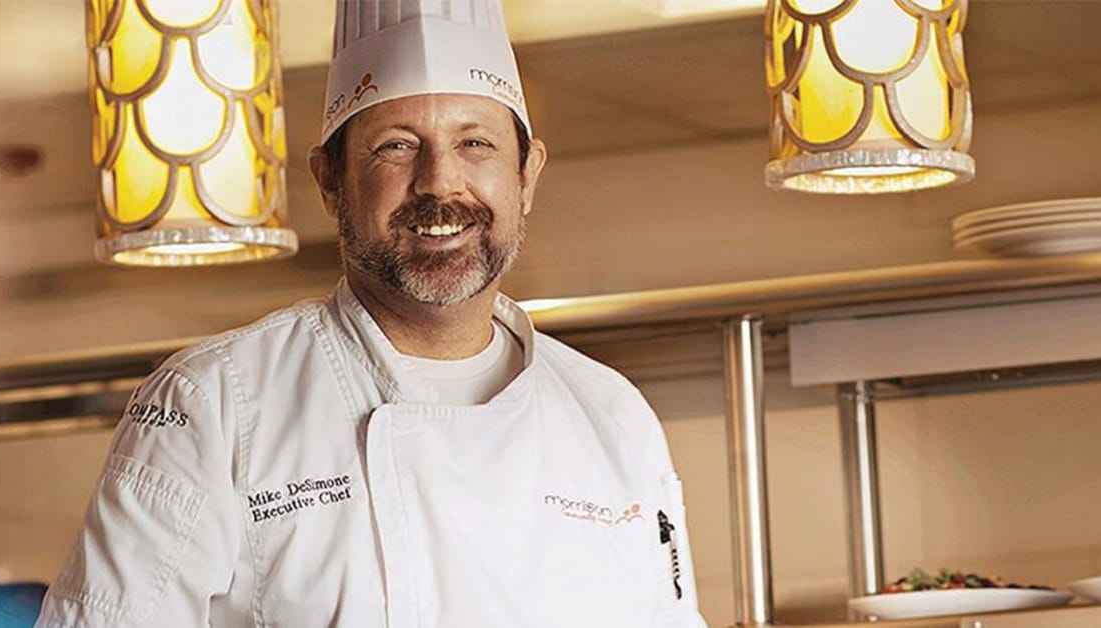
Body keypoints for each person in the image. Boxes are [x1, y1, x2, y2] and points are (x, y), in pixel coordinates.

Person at [36, 1, 708, 626]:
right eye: (396, 145)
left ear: (527, 175)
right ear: (330, 181)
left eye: (476, 143)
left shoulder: (612, 415)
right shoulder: (213, 405)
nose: (440, 182)